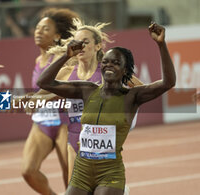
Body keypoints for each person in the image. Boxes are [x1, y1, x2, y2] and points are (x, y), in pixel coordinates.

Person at [37, 22, 175, 194]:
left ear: (125, 71)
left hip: (109, 173)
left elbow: (168, 83)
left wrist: (161, 44)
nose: (109, 65)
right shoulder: (86, 90)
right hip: (82, 171)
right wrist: (66, 55)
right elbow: (43, 82)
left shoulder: (132, 96)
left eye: (116, 62)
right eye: (106, 62)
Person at [21, 8, 79, 195]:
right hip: (42, 123)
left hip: (64, 122)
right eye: (38, 28)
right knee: (28, 171)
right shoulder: (39, 60)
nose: (38, 31)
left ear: (57, 36)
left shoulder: (64, 60)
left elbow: (65, 91)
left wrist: (37, 99)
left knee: (69, 177)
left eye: (45, 29)